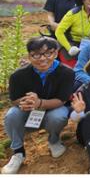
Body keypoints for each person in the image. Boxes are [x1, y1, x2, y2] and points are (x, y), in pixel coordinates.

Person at [2, 37, 74, 174]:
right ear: (29, 55)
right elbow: (15, 99)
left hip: (53, 109)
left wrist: (39, 102)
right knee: (12, 114)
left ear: (56, 53)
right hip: (28, 111)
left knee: (59, 116)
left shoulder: (66, 73)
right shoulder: (18, 75)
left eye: (48, 53)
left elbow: (62, 100)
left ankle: (54, 140)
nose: (42, 59)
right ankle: (18, 152)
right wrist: (26, 102)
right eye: (36, 54)